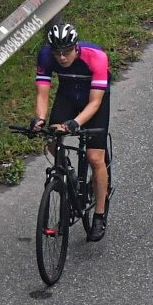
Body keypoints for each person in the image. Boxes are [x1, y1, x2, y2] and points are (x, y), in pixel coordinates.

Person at [31, 22, 111, 241]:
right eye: (57, 53)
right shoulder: (46, 56)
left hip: (93, 100)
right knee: (51, 139)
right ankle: (68, 174)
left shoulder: (96, 57)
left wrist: (75, 123)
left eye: (66, 52)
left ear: (76, 47)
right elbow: (42, 93)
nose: (62, 58)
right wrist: (39, 119)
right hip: (68, 95)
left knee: (95, 158)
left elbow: (95, 103)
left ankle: (99, 215)